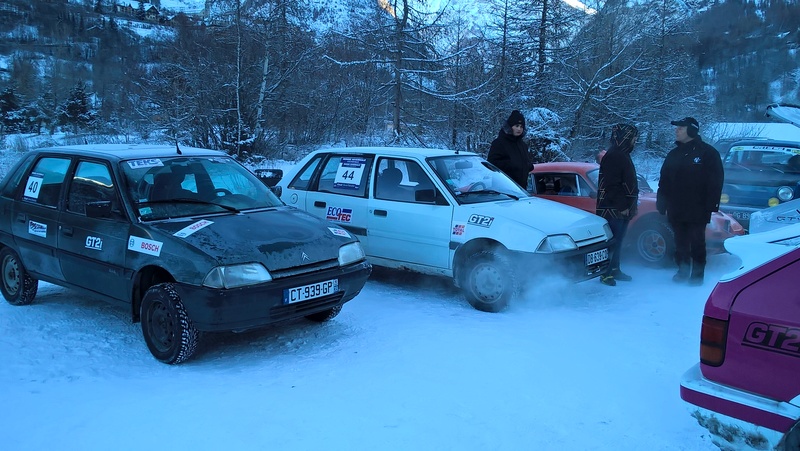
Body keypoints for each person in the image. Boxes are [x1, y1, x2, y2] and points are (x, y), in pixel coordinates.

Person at [657, 117, 724, 286]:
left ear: (692, 130)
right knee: (680, 242)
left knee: (697, 242)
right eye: (677, 127)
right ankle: (682, 270)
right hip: (676, 207)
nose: (677, 130)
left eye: (681, 128)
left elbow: (716, 181)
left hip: (698, 208)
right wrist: (662, 200)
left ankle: (697, 274)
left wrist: (712, 205)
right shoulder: (674, 154)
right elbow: (664, 179)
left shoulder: (707, 153)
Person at [596, 123, 640, 286]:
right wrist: (622, 206)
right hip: (612, 209)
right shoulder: (614, 155)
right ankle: (605, 273)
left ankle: (615, 269)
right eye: (633, 138)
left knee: (619, 241)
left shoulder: (622, 154)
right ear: (625, 137)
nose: (635, 141)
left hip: (621, 209)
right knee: (612, 241)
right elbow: (611, 185)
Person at [488, 110, 534, 188]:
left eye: (521, 126)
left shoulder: (523, 145)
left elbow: (525, 162)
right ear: (510, 127)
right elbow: (491, 164)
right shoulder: (499, 143)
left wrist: (528, 166)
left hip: (521, 190)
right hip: (504, 190)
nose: (519, 129)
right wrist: (512, 164)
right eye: (516, 126)